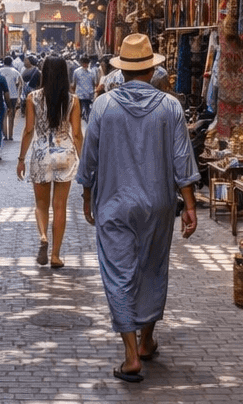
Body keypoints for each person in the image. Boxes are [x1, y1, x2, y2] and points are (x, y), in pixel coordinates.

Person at [77, 33, 199, 384]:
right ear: (152, 68)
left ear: (122, 71)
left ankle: (131, 355)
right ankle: (146, 340)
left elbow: (90, 159)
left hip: (113, 204)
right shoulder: (170, 107)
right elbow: (182, 161)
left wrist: (87, 197)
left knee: (119, 273)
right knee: (152, 268)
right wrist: (189, 206)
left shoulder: (103, 106)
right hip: (159, 204)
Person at [17, 57, 83, 269]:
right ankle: (55, 255)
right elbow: (78, 133)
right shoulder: (73, 100)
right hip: (65, 155)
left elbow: (28, 130)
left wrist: (21, 159)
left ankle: (43, 236)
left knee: (41, 205)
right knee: (60, 207)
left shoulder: (33, 97)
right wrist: (85, 159)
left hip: (40, 155)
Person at [0, 55, 24, 140]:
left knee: (4, 116)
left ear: (4, 62)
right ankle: (11, 135)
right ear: (11, 62)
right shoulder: (15, 72)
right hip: (13, 95)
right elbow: (20, 84)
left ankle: (5, 134)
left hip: (1, 95)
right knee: (11, 116)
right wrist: (19, 96)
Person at [73, 55, 97, 120]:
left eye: (86, 63)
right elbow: (74, 83)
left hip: (88, 94)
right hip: (79, 94)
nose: (85, 64)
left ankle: (87, 119)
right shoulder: (76, 72)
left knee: (88, 109)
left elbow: (94, 83)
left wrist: (93, 92)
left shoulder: (92, 72)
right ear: (81, 63)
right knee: (79, 110)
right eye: (83, 63)